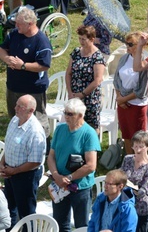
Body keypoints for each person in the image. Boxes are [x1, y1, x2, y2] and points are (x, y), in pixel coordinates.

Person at [47, 98, 101, 231]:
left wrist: (69, 177)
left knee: (81, 225)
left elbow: (91, 165)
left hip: (79, 187)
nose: (66, 116)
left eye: (70, 114)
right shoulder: (60, 130)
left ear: (80, 116)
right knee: (60, 223)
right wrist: (56, 175)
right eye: (65, 112)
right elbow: (51, 156)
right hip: (60, 184)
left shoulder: (89, 134)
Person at [0, 7, 51, 137]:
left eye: (19, 24)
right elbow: (2, 49)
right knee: (15, 119)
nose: (16, 26)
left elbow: (43, 65)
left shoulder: (41, 41)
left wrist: (22, 66)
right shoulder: (14, 34)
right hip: (13, 87)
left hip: (33, 90)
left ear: (30, 24)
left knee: (36, 123)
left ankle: (42, 148)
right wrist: (7, 58)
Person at [0, 95, 46, 229]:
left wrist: (14, 170)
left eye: (20, 107)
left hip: (26, 176)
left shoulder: (35, 132)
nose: (16, 108)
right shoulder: (15, 120)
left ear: (30, 111)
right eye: (17, 105)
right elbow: (8, 144)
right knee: (9, 209)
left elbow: (35, 162)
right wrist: (2, 163)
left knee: (26, 213)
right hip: (10, 172)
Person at [113, 32, 148, 155]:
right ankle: (129, 160)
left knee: (138, 138)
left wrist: (123, 99)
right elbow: (116, 78)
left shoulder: (146, 61)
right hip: (123, 103)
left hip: (137, 105)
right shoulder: (124, 58)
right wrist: (119, 97)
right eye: (126, 43)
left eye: (130, 44)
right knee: (126, 135)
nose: (126, 46)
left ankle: (140, 164)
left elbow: (142, 90)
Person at [66, 25, 105, 131]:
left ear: (92, 39)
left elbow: (98, 79)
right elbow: (68, 73)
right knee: (73, 124)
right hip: (74, 95)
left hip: (90, 98)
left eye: (84, 39)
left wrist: (82, 94)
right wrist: (70, 92)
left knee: (90, 127)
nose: (81, 41)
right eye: (79, 38)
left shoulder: (97, 56)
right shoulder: (76, 52)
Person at [120, 131, 148, 232]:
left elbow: (144, 189)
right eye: (135, 146)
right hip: (123, 203)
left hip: (139, 207)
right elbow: (120, 175)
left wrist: (133, 189)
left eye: (141, 146)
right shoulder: (127, 159)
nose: (137, 149)